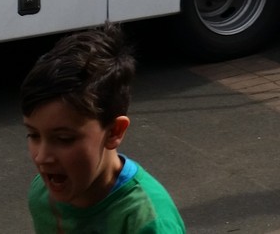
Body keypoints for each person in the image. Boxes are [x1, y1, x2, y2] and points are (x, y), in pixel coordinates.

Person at [20, 24, 185, 233]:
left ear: (114, 131)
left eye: (64, 139)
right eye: (33, 135)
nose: (42, 157)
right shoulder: (42, 195)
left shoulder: (148, 222)